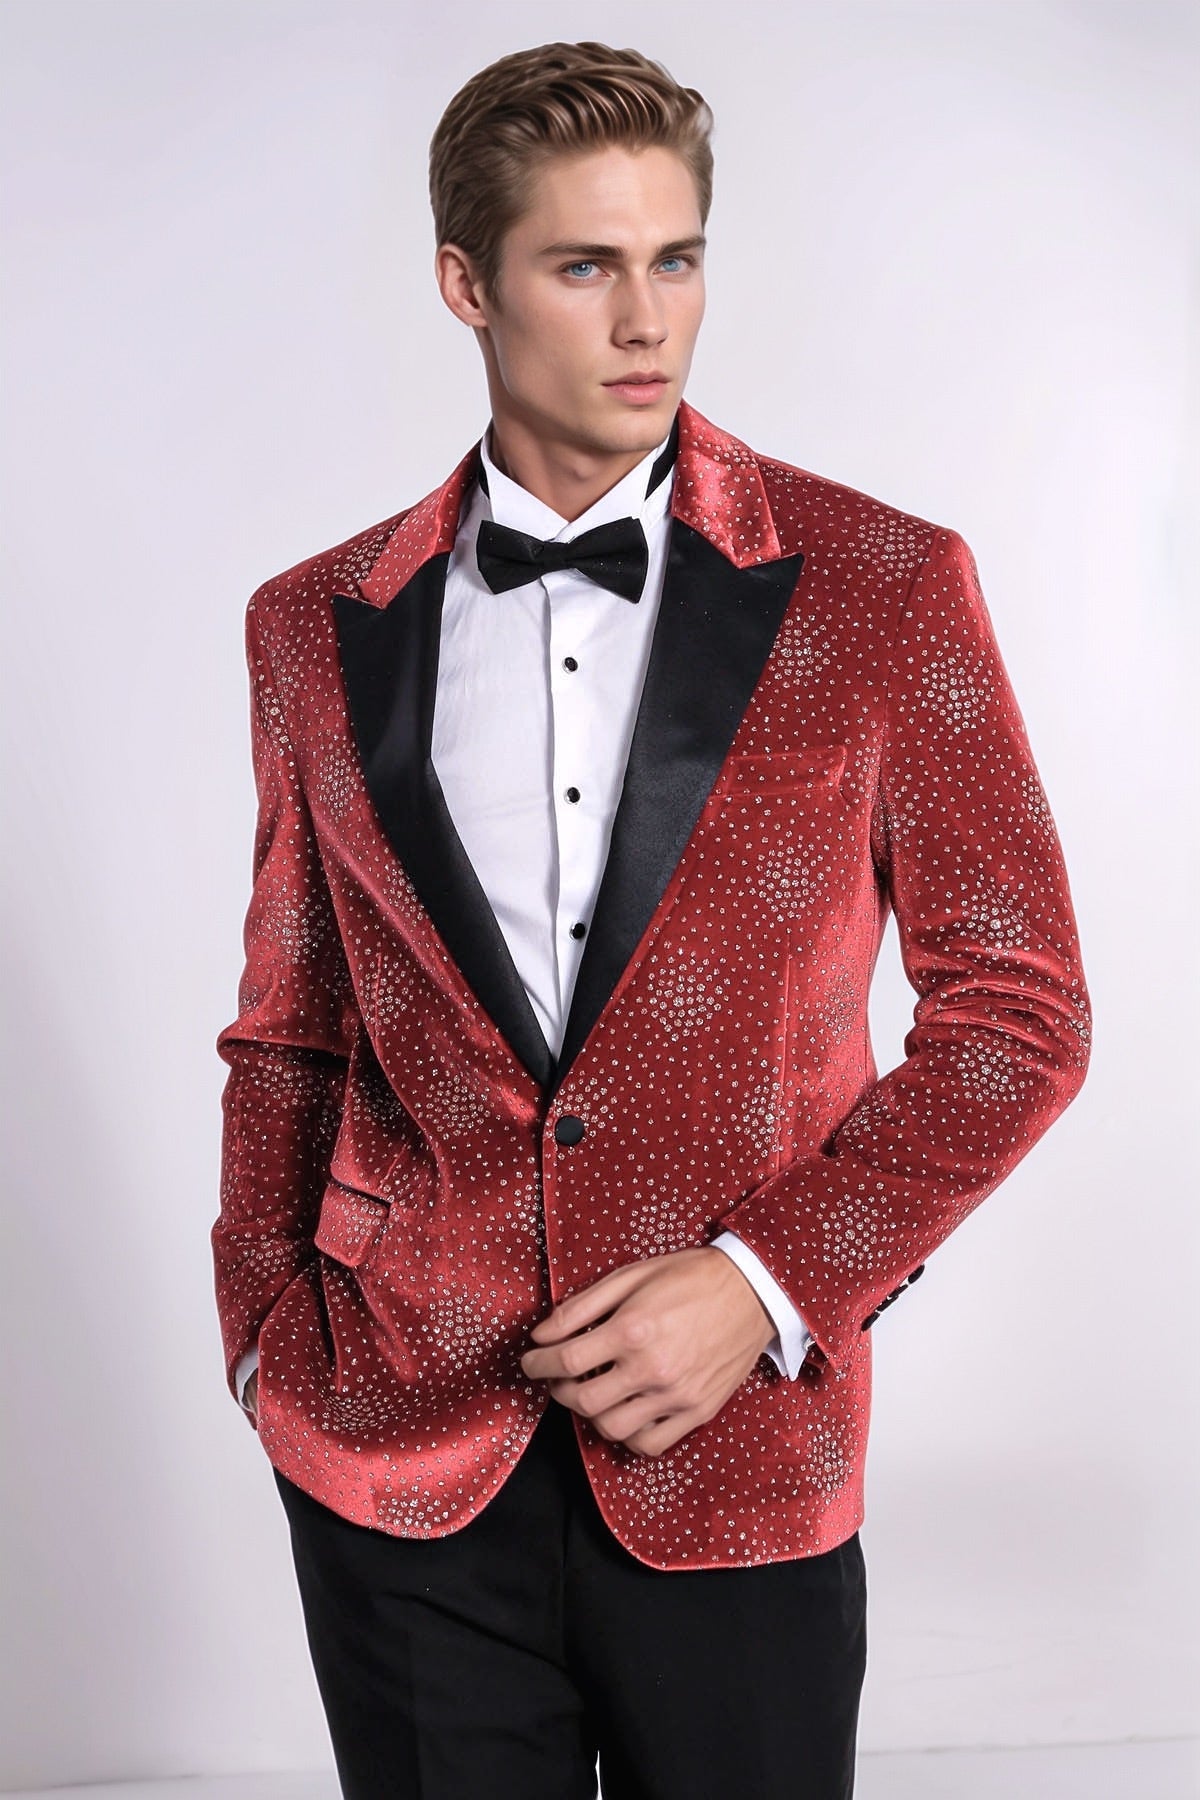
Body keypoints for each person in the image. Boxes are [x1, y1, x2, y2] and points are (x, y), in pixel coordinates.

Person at [211, 39, 1091, 1800]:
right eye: (584, 264)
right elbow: (293, 1026)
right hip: (398, 1453)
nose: (647, 320)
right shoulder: (314, 621)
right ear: (467, 284)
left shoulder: (883, 586)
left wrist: (768, 1282)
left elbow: (1020, 1016)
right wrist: (263, 1344)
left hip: (740, 1441)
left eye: (676, 259)